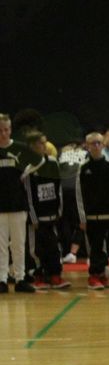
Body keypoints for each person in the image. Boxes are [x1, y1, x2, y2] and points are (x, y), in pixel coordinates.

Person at [77, 131, 109, 289]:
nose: (96, 146)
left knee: (106, 246)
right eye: (92, 143)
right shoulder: (83, 168)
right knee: (95, 246)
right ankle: (93, 275)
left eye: (99, 143)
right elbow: (79, 195)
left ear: (102, 145)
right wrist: (82, 217)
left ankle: (102, 274)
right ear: (87, 146)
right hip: (92, 216)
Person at [23, 131, 70, 289]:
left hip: (52, 215)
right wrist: (33, 218)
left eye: (45, 142)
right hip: (36, 219)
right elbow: (28, 196)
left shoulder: (53, 163)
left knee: (54, 247)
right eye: (40, 143)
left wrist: (59, 210)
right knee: (36, 249)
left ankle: (55, 275)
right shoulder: (28, 169)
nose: (44, 146)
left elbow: (58, 189)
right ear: (32, 147)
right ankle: (38, 275)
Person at [0, 113, 37, 293]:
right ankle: (1, 279)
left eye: (6, 130)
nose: (3, 133)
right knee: (0, 246)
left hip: (18, 204)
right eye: (0, 130)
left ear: (11, 130)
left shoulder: (21, 148)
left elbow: (39, 161)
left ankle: (20, 278)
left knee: (19, 244)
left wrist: (25, 173)